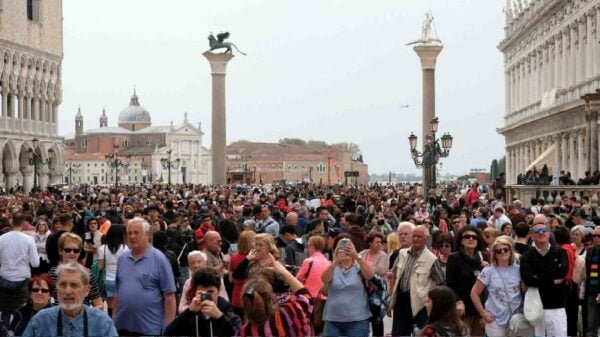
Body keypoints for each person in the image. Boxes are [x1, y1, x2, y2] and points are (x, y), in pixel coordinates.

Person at [113, 217, 177, 336]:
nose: (132, 236)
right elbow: (117, 292)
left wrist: (168, 328)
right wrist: (113, 319)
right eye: (129, 233)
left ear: (147, 234)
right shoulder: (122, 259)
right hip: (121, 326)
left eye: (136, 233)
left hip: (149, 328)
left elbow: (169, 296)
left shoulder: (160, 260)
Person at [21, 262, 118, 337]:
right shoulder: (41, 321)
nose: (67, 291)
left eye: (74, 285)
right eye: (63, 285)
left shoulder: (102, 323)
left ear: (87, 290)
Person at [390, 225, 446, 336]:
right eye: (414, 236)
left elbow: (441, 283)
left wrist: (433, 304)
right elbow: (393, 274)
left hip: (420, 305)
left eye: (419, 237)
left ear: (426, 239)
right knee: (398, 333)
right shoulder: (401, 253)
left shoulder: (432, 259)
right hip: (401, 301)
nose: (415, 239)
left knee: (420, 334)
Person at [239, 254, 313, 337]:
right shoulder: (285, 317)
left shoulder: (244, 332)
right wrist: (284, 272)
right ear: (271, 299)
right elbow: (306, 297)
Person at [520, 215, 568, 336]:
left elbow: (562, 273)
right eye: (537, 231)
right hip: (535, 309)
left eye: (544, 230)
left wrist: (537, 277)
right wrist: (552, 280)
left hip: (557, 307)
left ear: (549, 232)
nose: (541, 232)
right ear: (531, 235)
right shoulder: (526, 256)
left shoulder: (561, 252)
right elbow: (527, 279)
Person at [164, 267, 242, 337]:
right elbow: (168, 333)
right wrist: (189, 312)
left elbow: (237, 334)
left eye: (210, 292)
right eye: (201, 293)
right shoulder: (190, 316)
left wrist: (220, 317)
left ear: (218, 291)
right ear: (195, 292)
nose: (206, 296)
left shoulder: (229, 313)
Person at [321, 238, 374, 336]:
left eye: (348, 249)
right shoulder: (332, 267)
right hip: (333, 319)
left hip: (358, 320)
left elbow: (370, 275)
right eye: (342, 249)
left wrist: (357, 257)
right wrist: (336, 262)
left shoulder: (359, 267)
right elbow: (324, 279)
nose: (345, 251)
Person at [470, 236, 522, 336]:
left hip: (516, 319)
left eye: (505, 249)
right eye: (498, 251)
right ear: (495, 254)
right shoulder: (488, 271)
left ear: (510, 251)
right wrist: (483, 313)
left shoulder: (519, 269)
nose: (502, 252)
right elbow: (474, 293)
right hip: (495, 320)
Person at [0, 214, 40, 329]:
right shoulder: (29, 239)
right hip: (22, 279)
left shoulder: (1, 239)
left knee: (5, 310)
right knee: (22, 312)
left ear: (12, 223)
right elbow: (35, 263)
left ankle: (4, 331)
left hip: (4, 278)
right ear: (24, 224)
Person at [446, 226, 487, 336]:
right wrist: (458, 301)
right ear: (461, 240)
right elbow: (450, 285)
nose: (471, 239)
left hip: (480, 308)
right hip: (463, 309)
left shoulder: (483, 257)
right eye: (467, 236)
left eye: (474, 237)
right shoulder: (454, 258)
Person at [48, 233, 103, 310]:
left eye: (76, 250)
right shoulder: (53, 273)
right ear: (60, 251)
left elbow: (99, 303)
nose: (72, 253)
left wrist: (88, 315)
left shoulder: (87, 273)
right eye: (67, 250)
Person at [97, 224, 127, 316]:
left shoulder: (103, 248)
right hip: (121, 279)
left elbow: (100, 266)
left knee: (110, 301)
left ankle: (110, 319)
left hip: (108, 279)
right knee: (119, 301)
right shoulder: (125, 248)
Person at [229, 231, 255, 317]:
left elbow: (231, 280)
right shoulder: (255, 258)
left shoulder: (234, 257)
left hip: (236, 296)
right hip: (251, 296)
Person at [584, 225, 600, 336]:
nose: (596, 238)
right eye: (594, 235)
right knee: (590, 324)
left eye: (599, 236)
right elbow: (588, 273)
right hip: (591, 292)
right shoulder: (590, 251)